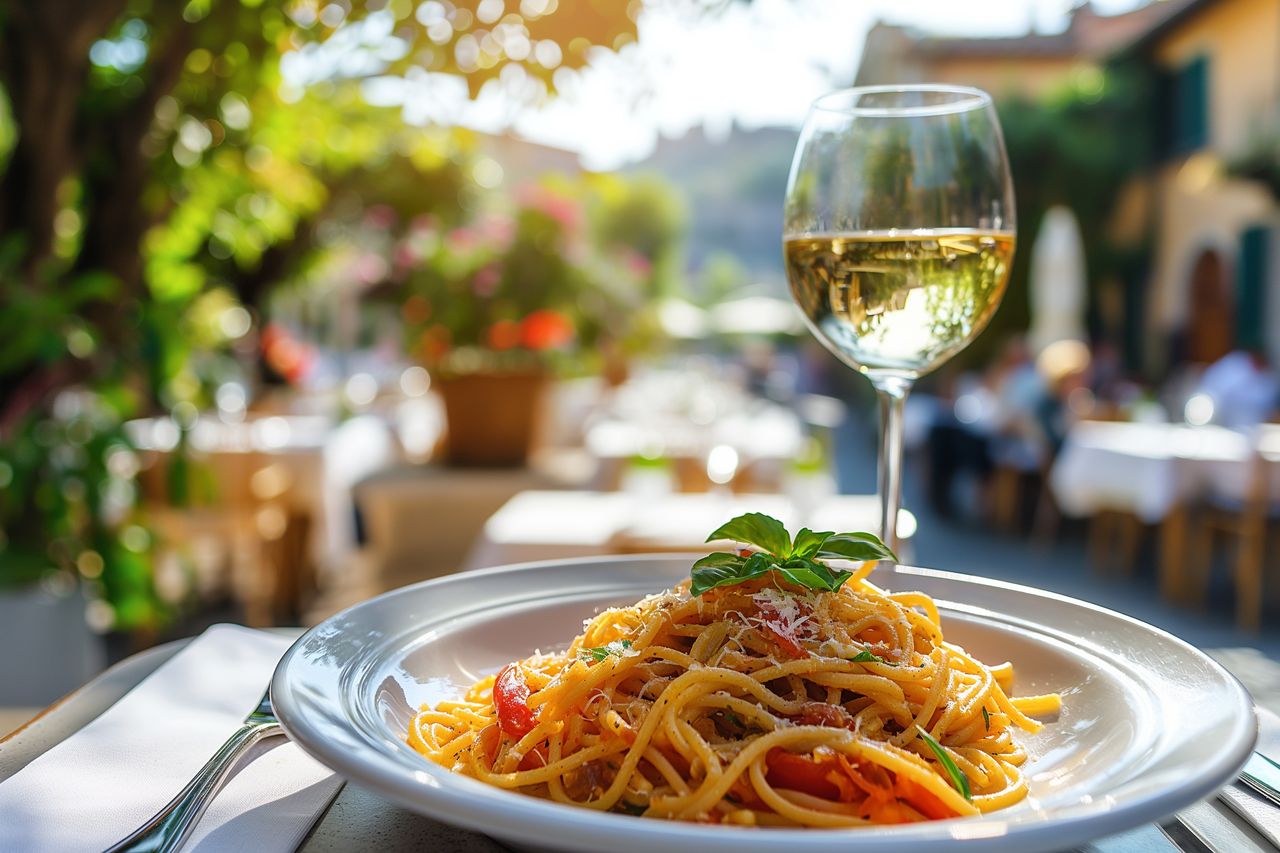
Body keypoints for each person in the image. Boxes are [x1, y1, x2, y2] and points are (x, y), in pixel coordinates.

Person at [1195, 349, 1279, 429]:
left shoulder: (1270, 378)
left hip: (1257, 430)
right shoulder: (1233, 366)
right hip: (1224, 426)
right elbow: (1209, 395)